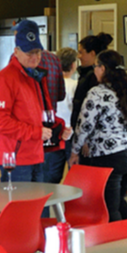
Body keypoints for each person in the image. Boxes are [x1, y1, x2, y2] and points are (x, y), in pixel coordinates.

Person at [72, 50, 127, 222]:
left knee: (109, 206)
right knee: (118, 200)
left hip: (108, 156)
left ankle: (121, 244)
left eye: (96, 66)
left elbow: (85, 125)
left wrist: (75, 151)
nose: (95, 70)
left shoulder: (97, 93)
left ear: (103, 68)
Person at [0, 20, 70, 184]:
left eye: (37, 52)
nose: (35, 57)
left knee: (37, 206)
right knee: (18, 207)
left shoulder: (35, 77)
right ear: (16, 51)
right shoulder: (4, 79)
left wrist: (58, 128)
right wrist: (35, 133)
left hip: (36, 154)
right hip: (15, 157)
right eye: (29, 52)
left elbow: (37, 115)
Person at [44, 47, 79, 184]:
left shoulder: (50, 83)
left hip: (53, 132)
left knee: (51, 175)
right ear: (73, 65)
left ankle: (50, 202)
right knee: (74, 175)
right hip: (71, 132)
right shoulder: (74, 85)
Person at [70, 33, 113, 135]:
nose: (78, 56)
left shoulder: (94, 77)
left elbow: (93, 110)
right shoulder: (86, 74)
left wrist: (86, 137)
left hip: (90, 133)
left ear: (92, 53)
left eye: (81, 52)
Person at [39, 46, 66, 182]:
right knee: (49, 177)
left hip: (30, 125)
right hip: (50, 123)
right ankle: (47, 202)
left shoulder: (18, 59)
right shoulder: (54, 59)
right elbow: (61, 95)